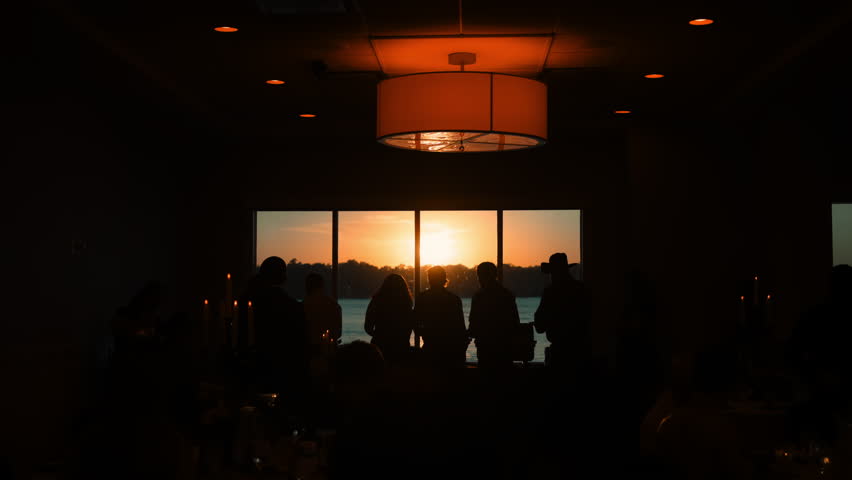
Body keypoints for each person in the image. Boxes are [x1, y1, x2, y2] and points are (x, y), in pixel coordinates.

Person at [241, 256, 307, 393]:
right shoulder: (291, 305)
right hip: (283, 368)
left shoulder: (247, 300)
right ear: (283, 277)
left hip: (251, 366)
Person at [534, 252, 592, 374]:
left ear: (554, 273)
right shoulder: (581, 290)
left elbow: (539, 327)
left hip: (559, 354)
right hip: (582, 353)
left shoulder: (550, 293)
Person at [468, 262, 520, 374]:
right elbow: (515, 324)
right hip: (505, 349)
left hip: (485, 349)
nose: (478, 279)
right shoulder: (507, 295)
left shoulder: (478, 297)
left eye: (479, 276)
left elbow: (473, 326)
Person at [414, 266, 468, 368]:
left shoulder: (422, 298)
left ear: (429, 279)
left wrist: (427, 332)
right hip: (450, 352)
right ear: (444, 279)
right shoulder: (454, 299)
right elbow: (460, 328)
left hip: (430, 349)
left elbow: (416, 325)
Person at [364, 274, 414, 364]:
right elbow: (410, 325)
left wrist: (379, 335)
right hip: (401, 348)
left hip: (380, 347)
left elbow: (368, 327)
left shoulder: (376, 301)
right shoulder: (406, 303)